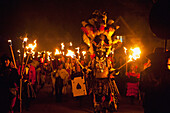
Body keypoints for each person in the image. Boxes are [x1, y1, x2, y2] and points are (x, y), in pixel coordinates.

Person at [140, 48, 170, 113]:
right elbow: (142, 87)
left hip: (155, 103)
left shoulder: (145, 72)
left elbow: (141, 87)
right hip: (158, 103)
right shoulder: (167, 73)